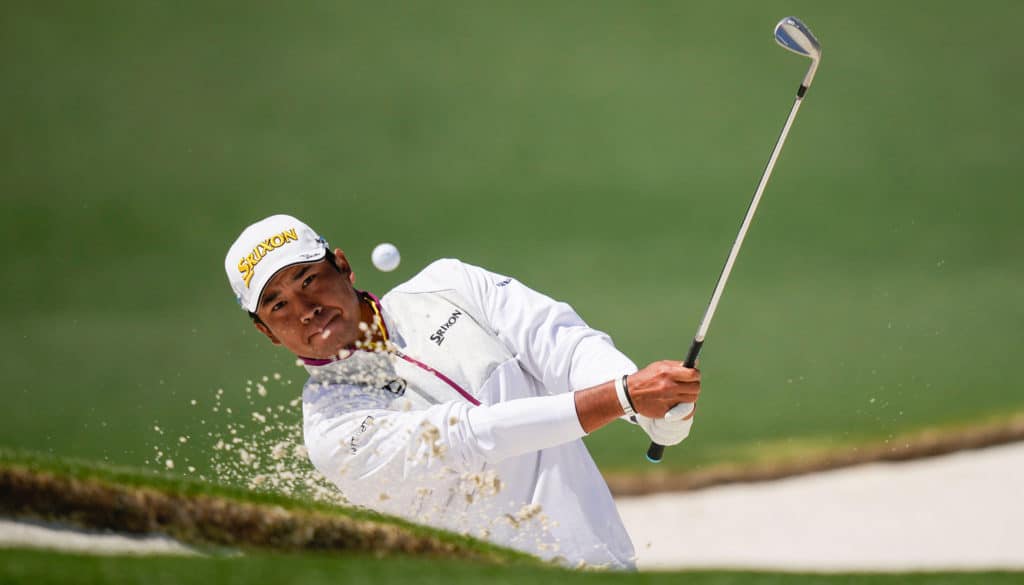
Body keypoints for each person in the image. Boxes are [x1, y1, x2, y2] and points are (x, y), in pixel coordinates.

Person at [224, 214, 701, 569]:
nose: (305, 309)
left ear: (343, 267)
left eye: (309, 280)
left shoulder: (449, 286)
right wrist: (622, 397)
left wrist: (651, 410)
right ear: (267, 332)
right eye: (278, 305)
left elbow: (563, 345)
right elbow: (470, 436)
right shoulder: (333, 428)